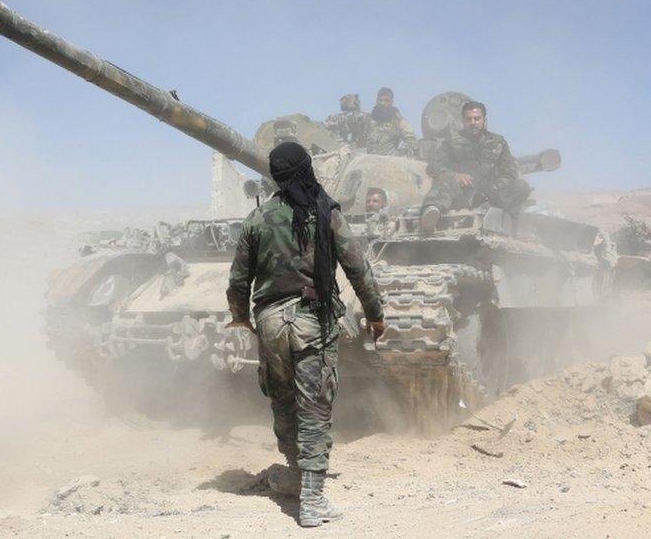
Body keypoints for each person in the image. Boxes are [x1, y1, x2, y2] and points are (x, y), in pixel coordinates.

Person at [226, 142, 385, 527]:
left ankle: (296, 472)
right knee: (314, 409)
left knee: (282, 401)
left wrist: (242, 318)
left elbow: (238, 281)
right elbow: (357, 268)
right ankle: (312, 500)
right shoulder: (325, 212)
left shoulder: (257, 219)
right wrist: (375, 314)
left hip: (270, 323)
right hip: (311, 321)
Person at [419, 100, 531, 232]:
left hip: (489, 192)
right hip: (462, 191)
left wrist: (495, 187)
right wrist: (455, 175)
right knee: (445, 180)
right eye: (469, 119)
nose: (473, 123)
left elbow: (508, 172)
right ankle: (431, 213)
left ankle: (494, 213)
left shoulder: (498, 143)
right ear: (463, 121)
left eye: (477, 119)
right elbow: (434, 166)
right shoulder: (451, 141)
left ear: (485, 120)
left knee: (521, 187)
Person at [356, 87, 418, 156]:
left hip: (389, 162)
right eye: (380, 100)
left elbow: (411, 140)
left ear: (392, 102)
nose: (383, 103)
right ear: (376, 100)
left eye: (387, 100)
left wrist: (399, 154)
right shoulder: (368, 119)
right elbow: (358, 139)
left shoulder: (398, 120)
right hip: (368, 161)